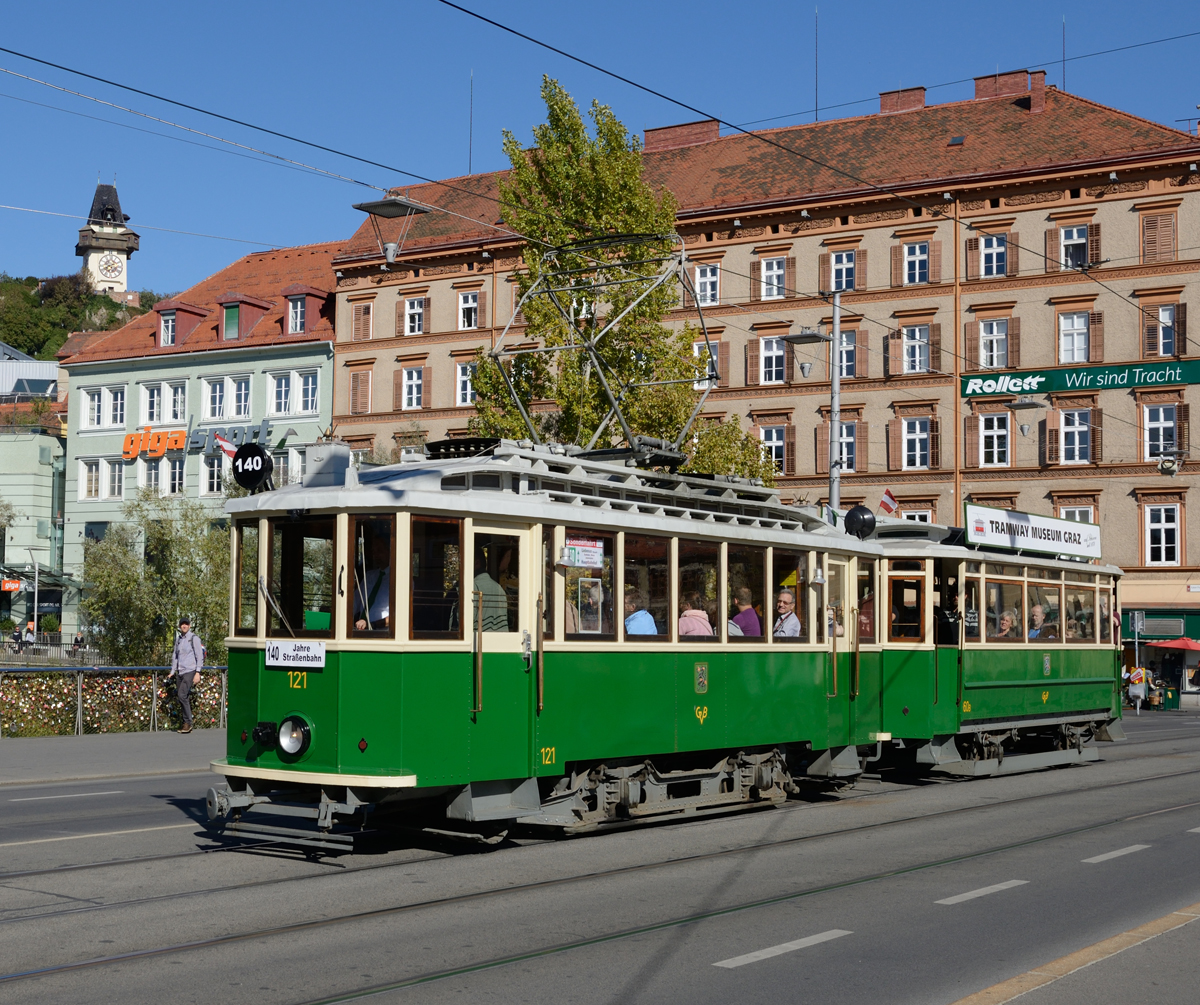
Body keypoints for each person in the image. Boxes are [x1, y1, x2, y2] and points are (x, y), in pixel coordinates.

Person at [167, 617, 203, 734]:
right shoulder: (178, 640)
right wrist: (172, 671)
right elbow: (175, 656)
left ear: (189, 625)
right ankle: (185, 723)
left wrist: (198, 672)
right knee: (182, 696)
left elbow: (199, 656)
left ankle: (188, 722)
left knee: (182, 695)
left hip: (190, 670)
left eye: (186, 624)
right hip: (180, 672)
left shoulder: (194, 639)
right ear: (179, 626)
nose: (184, 626)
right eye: (182, 624)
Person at [353, 532, 391, 631]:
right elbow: (355, 602)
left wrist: (372, 624)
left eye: (379, 550)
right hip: (361, 630)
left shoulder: (400, 579)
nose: (376, 555)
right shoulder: (370, 576)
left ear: (390, 551)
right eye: (374, 551)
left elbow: (400, 617)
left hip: (383, 634)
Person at [474, 544, 513, 632]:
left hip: (476, 642)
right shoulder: (499, 589)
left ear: (476, 563)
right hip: (499, 643)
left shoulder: (473, 587)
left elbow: (463, 625)